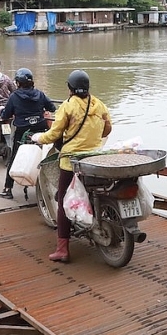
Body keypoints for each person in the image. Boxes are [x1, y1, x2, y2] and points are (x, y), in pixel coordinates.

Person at [31, 69, 112, 263]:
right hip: (94, 158)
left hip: (71, 160)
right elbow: (108, 128)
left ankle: (62, 249)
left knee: (63, 200)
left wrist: (38, 137)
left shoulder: (68, 107)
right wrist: (91, 141)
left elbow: (54, 135)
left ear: (70, 88)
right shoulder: (98, 104)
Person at [0, 68, 56, 199]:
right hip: (41, 129)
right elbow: (52, 107)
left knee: (14, 157)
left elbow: (6, 114)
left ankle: (8, 189)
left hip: (23, 132)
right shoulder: (40, 94)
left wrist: (2, 111)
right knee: (45, 157)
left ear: (18, 83)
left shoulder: (14, 97)